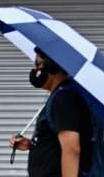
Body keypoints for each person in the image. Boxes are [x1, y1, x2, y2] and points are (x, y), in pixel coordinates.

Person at [9, 47, 92, 177]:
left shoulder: (64, 98)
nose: (35, 70)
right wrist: (33, 145)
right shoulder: (60, 95)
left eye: (38, 64)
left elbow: (72, 149)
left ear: (51, 65)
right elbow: (59, 143)